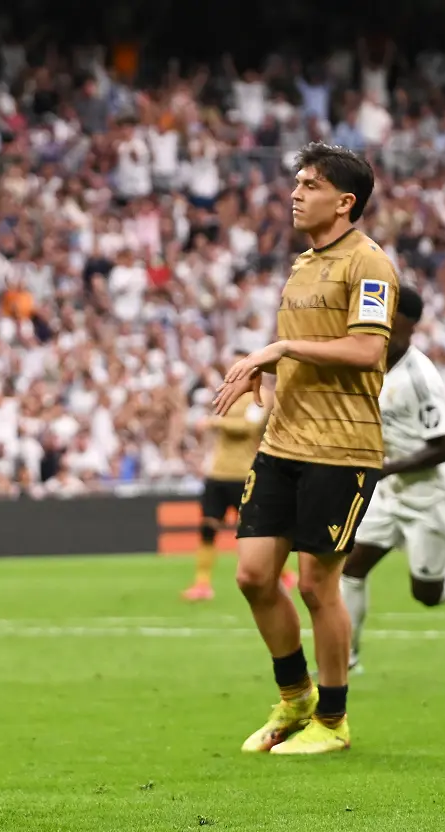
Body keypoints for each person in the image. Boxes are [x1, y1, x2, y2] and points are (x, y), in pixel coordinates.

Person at [215, 142, 398, 755]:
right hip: (283, 441)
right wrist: (270, 369)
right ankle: (295, 699)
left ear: (344, 202)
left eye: (310, 185)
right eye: (296, 183)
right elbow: (310, 346)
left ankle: (333, 720)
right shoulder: (303, 264)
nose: (295, 194)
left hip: (341, 448)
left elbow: (366, 350)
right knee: (252, 575)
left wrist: (282, 349)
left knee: (318, 585)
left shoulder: (369, 263)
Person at [338, 287, 445, 677]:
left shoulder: (419, 378)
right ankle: (345, 659)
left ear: (406, 322)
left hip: (432, 495)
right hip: (393, 492)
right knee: (352, 566)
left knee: (428, 594)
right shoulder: (371, 362)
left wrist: (386, 468)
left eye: (388, 311)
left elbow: (442, 448)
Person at [183, 354, 281, 601]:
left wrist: (214, 423)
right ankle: (202, 584)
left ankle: (283, 575)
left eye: (241, 364)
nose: (236, 369)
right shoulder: (226, 394)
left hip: (244, 473)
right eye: (233, 365)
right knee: (208, 526)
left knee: (255, 531)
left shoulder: (262, 396)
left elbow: (249, 427)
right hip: (217, 472)